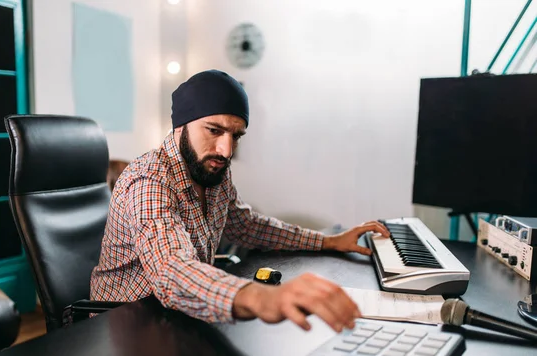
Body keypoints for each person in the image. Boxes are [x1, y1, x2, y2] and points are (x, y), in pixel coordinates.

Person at [90, 70, 390, 333]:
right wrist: (263, 298)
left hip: (178, 319)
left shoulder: (213, 168)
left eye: (236, 136)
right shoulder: (149, 180)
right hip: (122, 328)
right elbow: (171, 269)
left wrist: (329, 241)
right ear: (181, 126)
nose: (225, 149)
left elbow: (246, 226)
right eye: (214, 130)